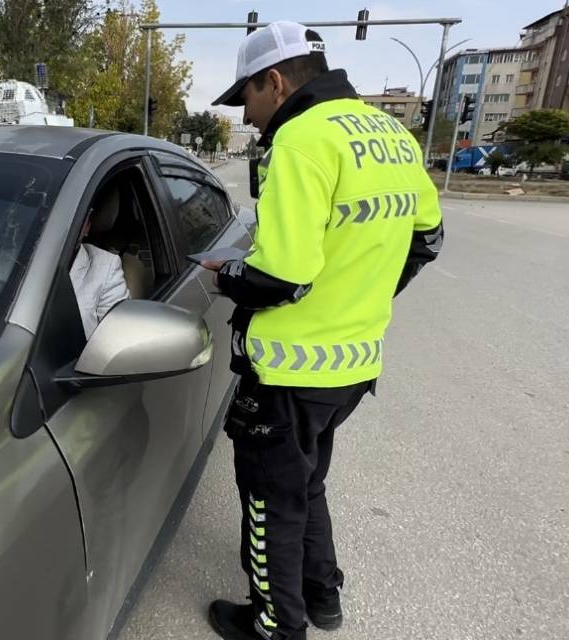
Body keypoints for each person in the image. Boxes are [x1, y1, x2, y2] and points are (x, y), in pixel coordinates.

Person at [200, 21, 444, 640]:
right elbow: (427, 239)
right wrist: (359, 296)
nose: (249, 118)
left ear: (274, 81)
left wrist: (225, 277)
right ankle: (321, 596)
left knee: (268, 500)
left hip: (288, 369)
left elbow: (281, 278)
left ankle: (276, 626)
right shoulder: (391, 134)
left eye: (246, 100)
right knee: (305, 482)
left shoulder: (300, 142)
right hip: (354, 365)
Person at [70, 192, 130, 339]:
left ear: (88, 226)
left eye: (79, 212)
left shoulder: (106, 267)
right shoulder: (11, 256)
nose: (69, 220)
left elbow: (118, 338)